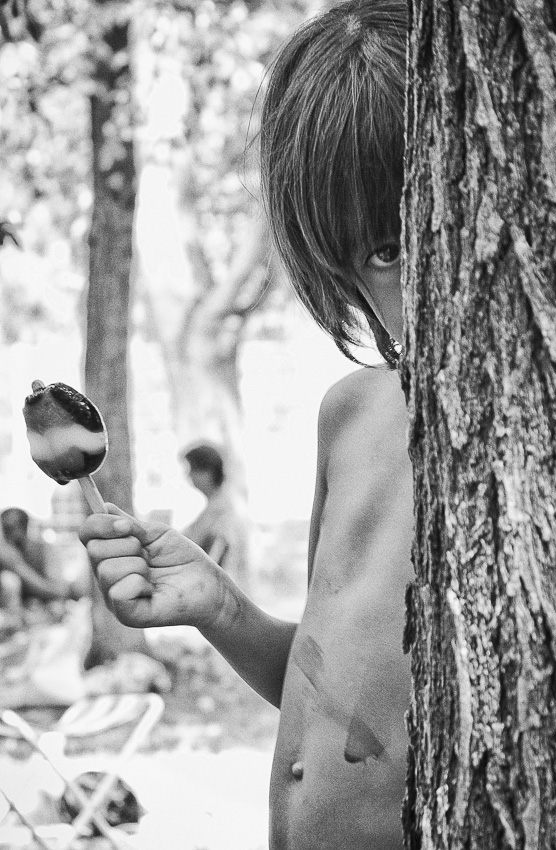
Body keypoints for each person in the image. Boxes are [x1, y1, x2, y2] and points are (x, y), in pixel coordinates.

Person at [79, 2, 413, 848]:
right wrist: (222, 609)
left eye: (388, 249)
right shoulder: (350, 414)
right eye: (352, 265)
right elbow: (332, 686)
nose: (381, 301)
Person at [180, 443, 249, 586]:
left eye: (192, 470)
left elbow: (212, 555)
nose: (189, 476)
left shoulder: (223, 509)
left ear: (208, 472)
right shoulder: (217, 504)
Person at [0, 507, 80, 610]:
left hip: (43, 610)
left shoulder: (45, 550)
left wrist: (18, 567)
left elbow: (60, 591)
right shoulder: (4, 553)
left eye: (10, 529)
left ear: (24, 528)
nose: (7, 535)